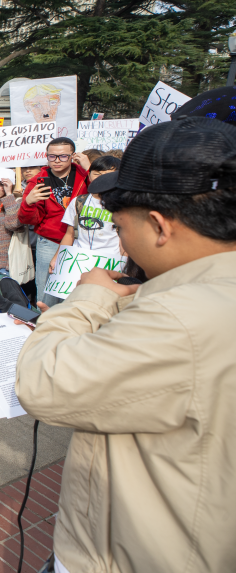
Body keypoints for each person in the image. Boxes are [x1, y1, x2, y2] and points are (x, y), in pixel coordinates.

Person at [15, 117, 236, 573]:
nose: (119, 239)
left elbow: (44, 382)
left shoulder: (180, 317)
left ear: (158, 225)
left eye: (118, 226)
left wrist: (87, 298)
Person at [17, 138, 88, 303]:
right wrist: (28, 203)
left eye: (63, 156)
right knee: (46, 292)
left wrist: (89, 167)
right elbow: (27, 219)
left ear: (73, 156)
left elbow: (107, 193)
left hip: (82, 240)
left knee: (77, 292)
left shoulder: (85, 175)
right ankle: (46, 324)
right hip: (50, 242)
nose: (57, 161)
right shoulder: (37, 181)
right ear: (46, 156)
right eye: (52, 156)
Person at [48, 156, 123, 273]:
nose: (101, 178)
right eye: (97, 174)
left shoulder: (123, 205)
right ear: (89, 175)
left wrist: (125, 263)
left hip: (110, 262)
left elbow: (123, 239)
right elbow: (70, 234)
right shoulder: (78, 202)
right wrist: (57, 257)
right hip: (79, 261)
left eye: (108, 174)